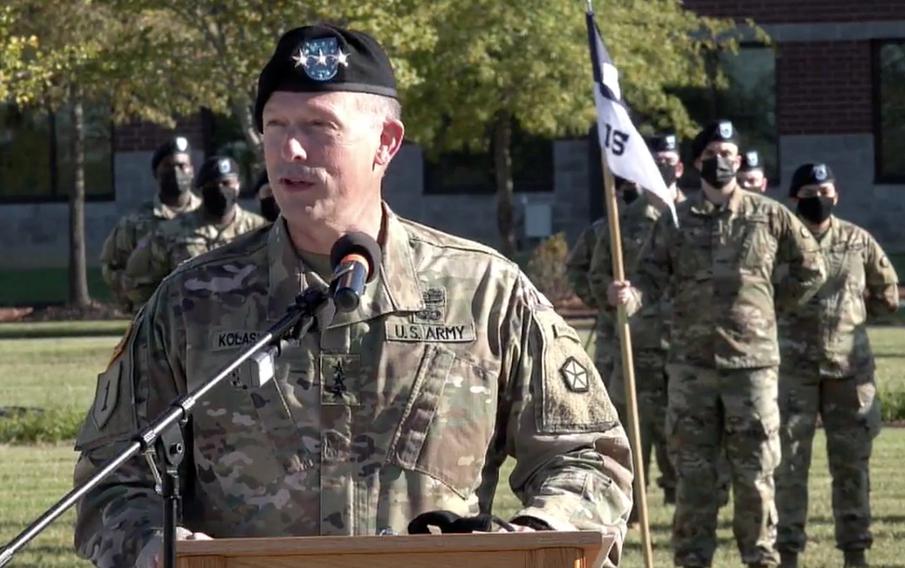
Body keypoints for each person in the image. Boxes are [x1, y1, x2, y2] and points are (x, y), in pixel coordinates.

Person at [73, 24, 634, 568]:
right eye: (275, 125)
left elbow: (588, 458)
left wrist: (532, 542)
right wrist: (152, 543)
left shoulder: (484, 293)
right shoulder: (191, 302)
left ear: (386, 144)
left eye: (320, 127)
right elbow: (110, 477)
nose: (290, 148)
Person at [607, 119, 827, 568]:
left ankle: (759, 558)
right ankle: (691, 559)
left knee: (755, 476)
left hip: (752, 369)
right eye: (711, 156)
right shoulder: (676, 220)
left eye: (728, 154)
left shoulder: (770, 215)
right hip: (692, 371)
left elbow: (812, 268)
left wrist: (770, 307)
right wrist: (628, 296)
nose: (721, 162)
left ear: (740, 161)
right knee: (694, 477)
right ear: (696, 165)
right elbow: (648, 277)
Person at [775, 163, 898, 568]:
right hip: (793, 370)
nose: (818, 199)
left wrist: (852, 322)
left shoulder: (857, 241)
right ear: (794, 199)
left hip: (849, 372)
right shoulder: (780, 241)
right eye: (809, 192)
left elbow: (887, 293)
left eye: (824, 190)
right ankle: (788, 550)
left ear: (837, 194)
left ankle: (855, 550)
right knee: (788, 466)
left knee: (851, 465)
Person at [588, 132, 686, 522]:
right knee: (631, 432)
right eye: (656, 157)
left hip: (688, 345)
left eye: (669, 160)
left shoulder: (694, 217)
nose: (663, 165)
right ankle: (633, 512)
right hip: (638, 341)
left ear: (679, 167)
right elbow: (596, 274)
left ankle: (686, 506)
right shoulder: (622, 219)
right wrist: (609, 296)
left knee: (683, 430)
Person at [122, 156, 267, 306]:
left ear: (238, 185)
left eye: (226, 183)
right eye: (213, 184)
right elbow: (136, 281)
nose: (221, 189)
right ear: (201, 189)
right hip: (189, 324)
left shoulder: (260, 230)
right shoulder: (170, 232)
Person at [99, 137, 200, 312]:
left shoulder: (205, 216)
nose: (176, 172)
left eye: (182, 166)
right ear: (156, 173)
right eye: (168, 167)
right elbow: (111, 266)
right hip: (152, 317)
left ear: (191, 171)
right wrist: (132, 289)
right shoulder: (135, 223)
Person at [565, 217, 612, 387]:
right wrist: (600, 297)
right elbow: (575, 269)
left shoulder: (670, 223)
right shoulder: (603, 229)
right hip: (613, 333)